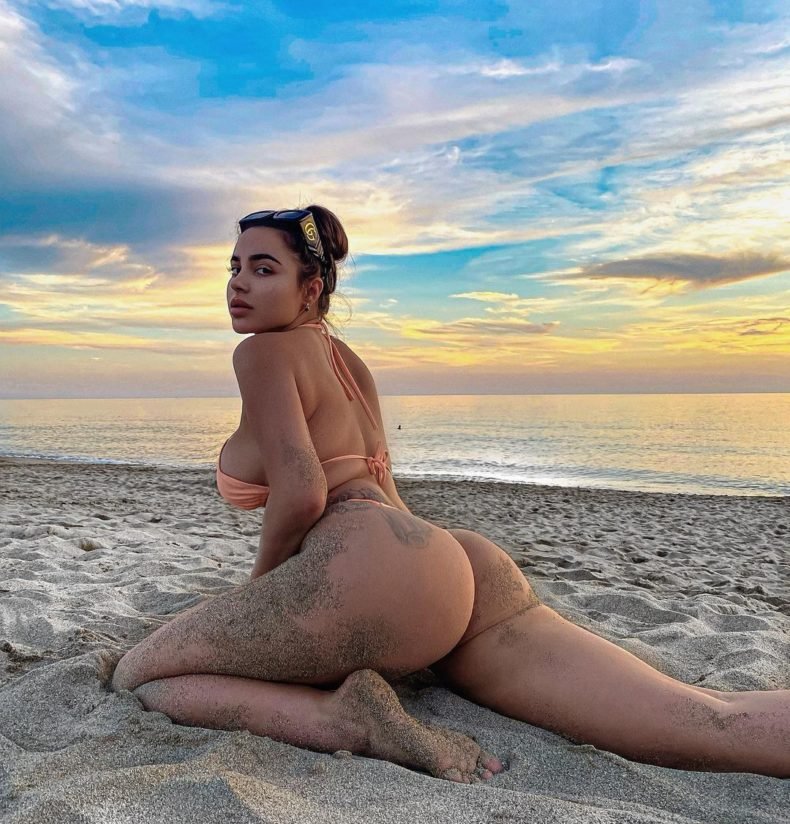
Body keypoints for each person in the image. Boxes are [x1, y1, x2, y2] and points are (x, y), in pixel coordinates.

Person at [111, 206, 789, 781]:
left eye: (264, 269)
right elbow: (377, 477)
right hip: (457, 563)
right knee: (695, 718)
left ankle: (341, 718)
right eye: (234, 267)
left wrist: (258, 589)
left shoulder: (261, 353)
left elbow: (303, 490)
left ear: (310, 287)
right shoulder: (348, 362)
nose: (238, 284)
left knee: (141, 675)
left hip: (371, 568)